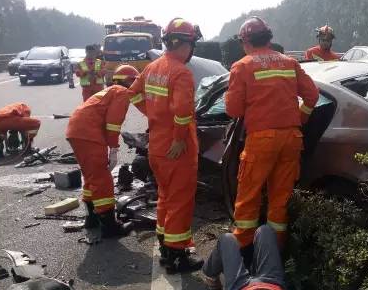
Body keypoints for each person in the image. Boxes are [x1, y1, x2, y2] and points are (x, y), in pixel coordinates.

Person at [225, 16, 319, 254]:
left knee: (248, 199)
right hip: (291, 139)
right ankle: (274, 255)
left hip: (261, 141)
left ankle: (244, 254)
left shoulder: (242, 66)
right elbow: (312, 96)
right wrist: (300, 118)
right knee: (280, 201)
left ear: (245, 41)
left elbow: (233, 110)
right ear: (268, 38)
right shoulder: (289, 63)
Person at [128, 17, 204, 274]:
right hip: (177, 150)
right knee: (180, 203)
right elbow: (183, 112)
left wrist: (152, 114)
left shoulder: (153, 67)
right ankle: (177, 256)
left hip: (157, 146)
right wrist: (180, 138)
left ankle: (165, 247)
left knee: (165, 198)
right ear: (186, 44)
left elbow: (133, 93)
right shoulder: (181, 72)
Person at [65, 65, 139, 237]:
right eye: (135, 82)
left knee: (91, 176)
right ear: (130, 80)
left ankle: (92, 218)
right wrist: (113, 148)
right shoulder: (121, 92)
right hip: (88, 133)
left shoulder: (112, 90)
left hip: (78, 131)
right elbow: (113, 123)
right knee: (102, 178)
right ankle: (110, 226)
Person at [201, 225, 286, 290]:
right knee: (265, 231)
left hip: (242, 287)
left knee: (227, 239)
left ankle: (210, 277)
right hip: (272, 285)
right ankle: (255, 273)